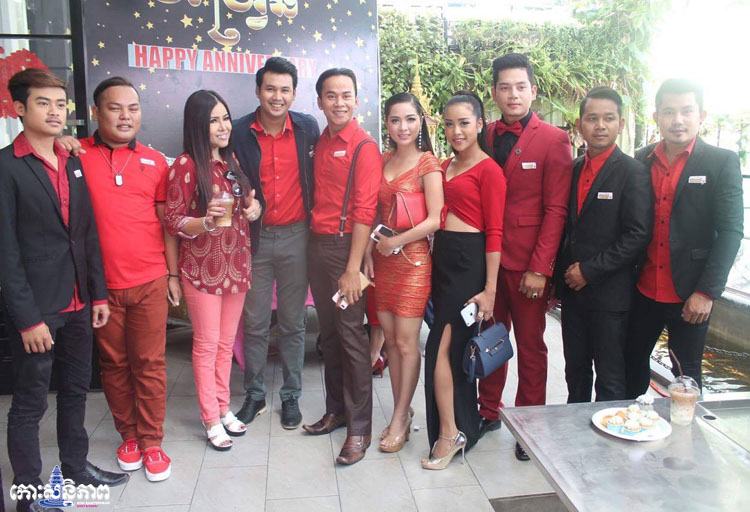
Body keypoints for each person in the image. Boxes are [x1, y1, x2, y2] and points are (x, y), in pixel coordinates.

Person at [0, 68, 127, 512]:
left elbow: (86, 233)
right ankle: (28, 491)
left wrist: (98, 294)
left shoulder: (72, 160)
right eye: (43, 103)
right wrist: (27, 319)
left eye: (60, 104)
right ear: (19, 109)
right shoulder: (6, 167)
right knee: (30, 402)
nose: (55, 112)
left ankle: (74, 466)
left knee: (76, 390)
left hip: (78, 302)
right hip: (37, 309)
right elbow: (6, 253)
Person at [70, 77, 178, 481]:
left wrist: (172, 274)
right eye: (115, 108)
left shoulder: (156, 161)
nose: (125, 116)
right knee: (114, 364)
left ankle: (152, 441)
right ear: (96, 112)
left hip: (150, 279)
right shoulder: (75, 155)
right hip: (100, 287)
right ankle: (128, 435)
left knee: (150, 364)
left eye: (133, 108)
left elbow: (167, 224)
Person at [478, 53, 572, 461]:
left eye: (520, 87)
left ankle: (529, 424)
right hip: (488, 263)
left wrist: (541, 268)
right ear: (494, 92)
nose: (513, 94)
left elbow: (556, 209)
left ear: (533, 90)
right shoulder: (484, 134)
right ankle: (488, 411)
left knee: (531, 346)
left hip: (528, 264)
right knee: (490, 339)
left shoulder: (553, 139)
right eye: (505, 87)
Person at [625, 79, 743, 396]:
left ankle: (685, 430)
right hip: (642, 289)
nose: (677, 120)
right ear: (656, 117)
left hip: (690, 292)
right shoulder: (640, 160)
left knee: (686, 379)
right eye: (669, 112)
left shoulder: (721, 162)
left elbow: (732, 231)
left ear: (701, 115)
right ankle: (629, 423)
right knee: (629, 370)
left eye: (687, 111)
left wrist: (706, 291)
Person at [165, 90, 261, 451]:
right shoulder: (186, 165)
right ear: (197, 125)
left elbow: (248, 204)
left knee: (225, 344)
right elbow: (173, 220)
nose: (223, 127)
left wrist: (255, 209)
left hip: (236, 267)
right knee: (206, 345)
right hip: (202, 270)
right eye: (213, 121)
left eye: (225, 118)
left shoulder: (231, 160)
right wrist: (204, 222)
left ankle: (223, 407)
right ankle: (210, 417)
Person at [231, 57, 320, 430]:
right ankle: (254, 395)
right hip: (255, 238)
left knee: (293, 322)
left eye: (285, 90)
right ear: (258, 91)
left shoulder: (307, 128)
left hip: (297, 236)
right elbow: (224, 174)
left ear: (294, 94)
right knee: (254, 322)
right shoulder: (238, 131)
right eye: (270, 89)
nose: (277, 96)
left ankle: (291, 395)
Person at [303, 68, 382, 466]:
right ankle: (336, 411)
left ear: (356, 100)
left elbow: (365, 210)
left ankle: (360, 428)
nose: (339, 102)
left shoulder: (363, 146)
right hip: (317, 247)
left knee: (352, 338)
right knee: (330, 336)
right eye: (331, 96)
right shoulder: (321, 141)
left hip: (344, 249)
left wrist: (353, 267)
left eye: (346, 95)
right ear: (320, 101)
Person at [422, 92, 505, 470]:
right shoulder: (444, 165)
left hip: (469, 264)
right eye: (450, 124)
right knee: (451, 352)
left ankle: (451, 433)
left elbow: (495, 233)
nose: (456, 131)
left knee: (441, 349)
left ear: (480, 124)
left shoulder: (490, 171)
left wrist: (490, 290)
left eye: (464, 123)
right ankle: (459, 427)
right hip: (443, 261)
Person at [555, 87, 652, 403]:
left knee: (610, 378)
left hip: (610, 295)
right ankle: (575, 430)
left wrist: (589, 270)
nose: (600, 126)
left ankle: (609, 433)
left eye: (608, 119)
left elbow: (637, 234)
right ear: (580, 124)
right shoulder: (572, 169)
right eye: (592, 118)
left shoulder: (633, 172)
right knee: (575, 372)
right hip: (572, 293)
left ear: (620, 124)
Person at [363, 92, 443, 453]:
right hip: (383, 260)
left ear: (420, 121)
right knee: (391, 341)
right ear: (387, 124)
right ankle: (402, 411)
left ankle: (398, 418)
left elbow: (435, 219)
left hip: (413, 262)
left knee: (408, 342)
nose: (403, 127)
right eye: (395, 120)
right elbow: (374, 213)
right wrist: (369, 250)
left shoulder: (428, 163)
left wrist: (397, 241)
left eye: (410, 119)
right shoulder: (382, 159)